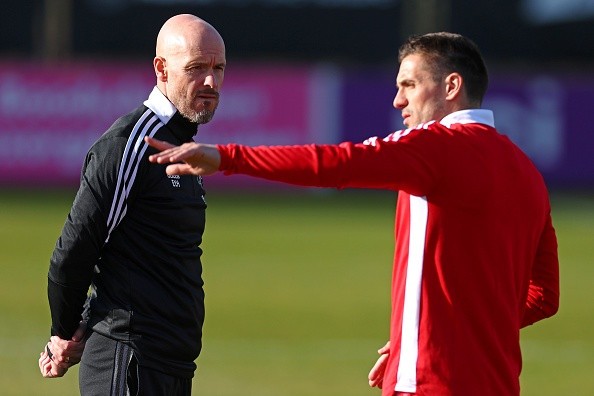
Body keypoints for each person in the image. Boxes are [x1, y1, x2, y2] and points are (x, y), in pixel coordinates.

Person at [145, 32, 560, 395]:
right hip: (498, 384)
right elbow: (544, 298)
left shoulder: (436, 148)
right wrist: (432, 333)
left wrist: (228, 158)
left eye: (410, 85)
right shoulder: (528, 174)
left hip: (431, 384)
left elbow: (336, 163)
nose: (398, 99)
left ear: (452, 86)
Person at [38, 13, 226, 395]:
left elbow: (141, 256)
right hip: (128, 362)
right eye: (196, 68)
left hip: (170, 365)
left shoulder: (182, 144)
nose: (210, 81)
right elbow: (74, 251)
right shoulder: (131, 144)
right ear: (161, 69)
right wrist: (63, 333)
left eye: (218, 68)